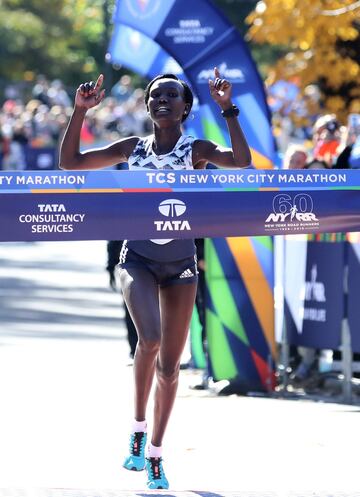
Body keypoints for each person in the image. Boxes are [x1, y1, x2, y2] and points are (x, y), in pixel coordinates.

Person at [59, 68, 251, 489]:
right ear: (147, 107)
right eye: (154, 96)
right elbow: (70, 163)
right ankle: (137, 425)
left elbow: (241, 161)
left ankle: (156, 454)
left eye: (171, 95)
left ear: (185, 108)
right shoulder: (133, 147)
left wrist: (227, 110)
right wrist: (79, 112)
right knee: (150, 339)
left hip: (181, 263)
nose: (161, 100)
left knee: (169, 370)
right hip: (139, 258)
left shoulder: (195, 148)